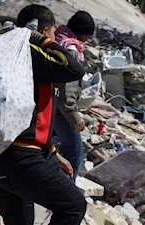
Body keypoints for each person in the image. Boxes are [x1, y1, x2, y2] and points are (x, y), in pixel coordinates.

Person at [0, 4, 87, 225]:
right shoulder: (34, 54)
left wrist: (53, 152)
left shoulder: (8, 55)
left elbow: (29, 114)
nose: (55, 39)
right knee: (73, 206)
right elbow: (74, 68)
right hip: (20, 159)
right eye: (53, 33)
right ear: (44, 31)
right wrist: (40, 40)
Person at [53, 11, 95, 182]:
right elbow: (67, 89)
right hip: (60, 108)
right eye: (88, 35)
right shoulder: (71, 50)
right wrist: (75, 117)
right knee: (75, 151)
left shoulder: (57, 39)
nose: (88, 39)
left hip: (47, 102)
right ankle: (68, 194)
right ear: (82, 32)